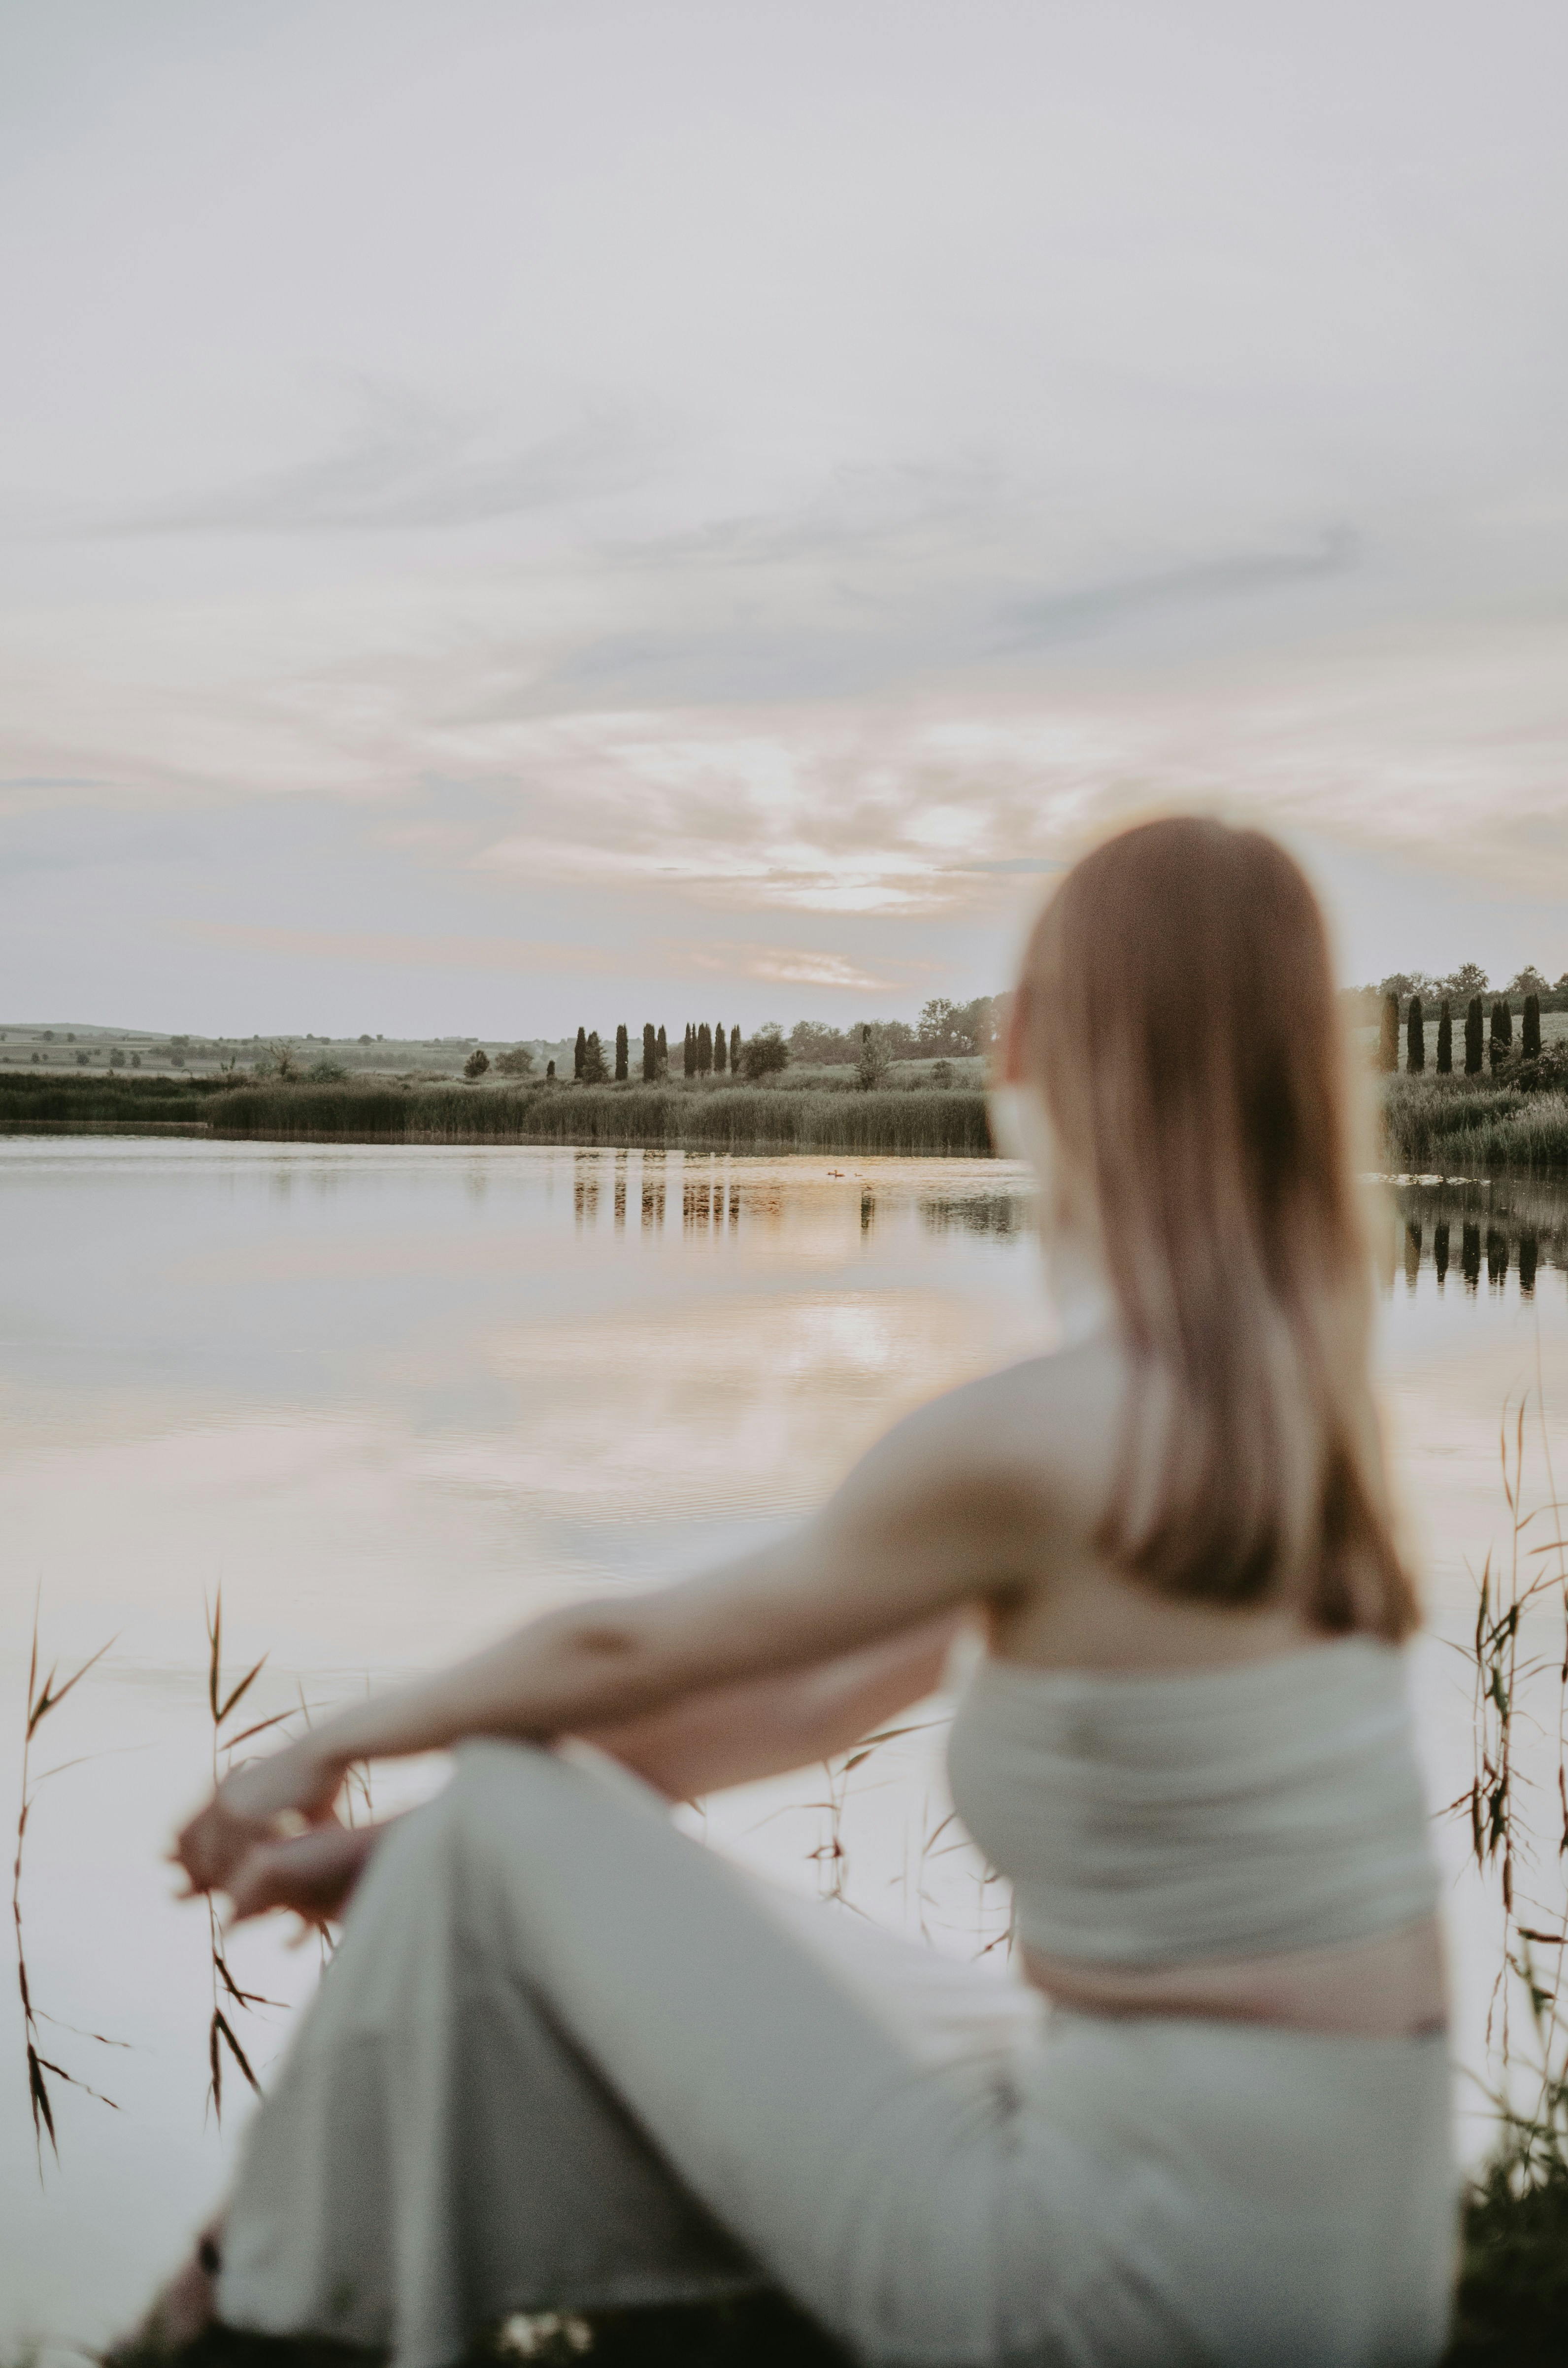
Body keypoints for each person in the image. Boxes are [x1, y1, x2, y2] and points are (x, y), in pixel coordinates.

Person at [141, 817, 1456, 2368]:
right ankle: (244, 2287)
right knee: (488, 1842)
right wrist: (402, 1852)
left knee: (501, 1806)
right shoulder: (1298, 1411)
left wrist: (330, 1739)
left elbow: (631, 1643)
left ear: (1027, 1044)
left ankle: (231, 2318)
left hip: (1126, 2268)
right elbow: (795, 1703)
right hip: (1348, 2242)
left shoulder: (1042, 1439)